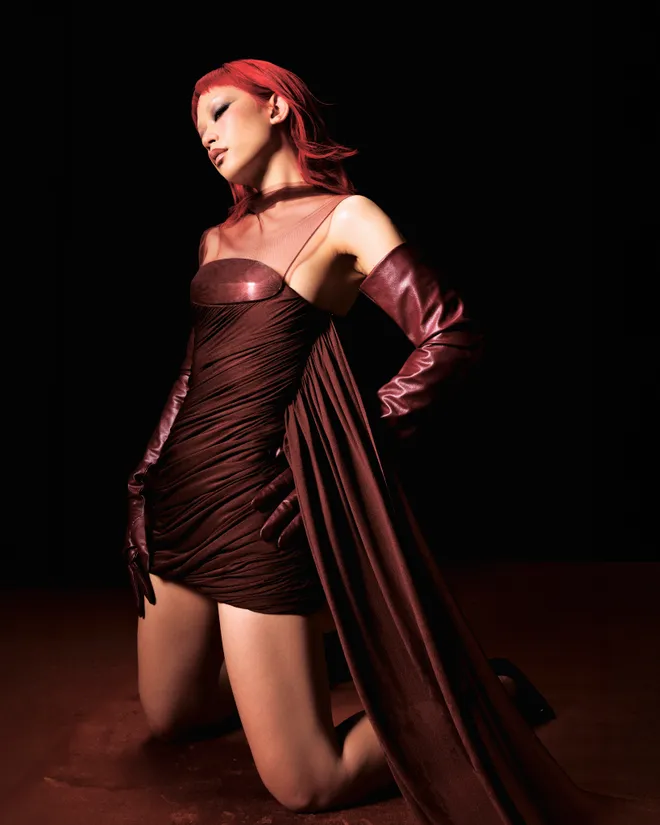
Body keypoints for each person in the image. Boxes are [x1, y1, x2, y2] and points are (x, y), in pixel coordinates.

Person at [123, 59, 659, 823]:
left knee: (308, 783)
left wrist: (352, 444)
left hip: (261, 503)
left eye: (219, 111)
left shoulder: (347, 218)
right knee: (172, 716)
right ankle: (316, 664)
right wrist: (143, 482)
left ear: (275, 107)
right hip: (182, 495)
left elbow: (451, 332)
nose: (205, 136)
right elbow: (192, 373)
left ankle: (488, 694)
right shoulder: (217, 237)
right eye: (196, 126)